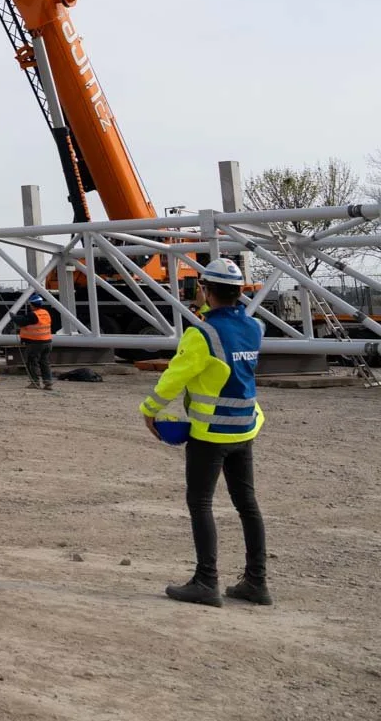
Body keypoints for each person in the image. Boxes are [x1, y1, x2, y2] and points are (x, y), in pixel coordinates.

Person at [141, 258, 269, 607]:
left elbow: (174, 376)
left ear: (205, 290)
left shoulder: (202, 333)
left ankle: (206, 581)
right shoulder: (255, 327)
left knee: (200, 503)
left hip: (210, 433)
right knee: (247, 504)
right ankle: (256, 583)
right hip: (244, 429)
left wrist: (149, 410)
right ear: (240, 292)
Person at [12, 292, 56, 390]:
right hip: (47, 342)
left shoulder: (33, 315)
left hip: (36, 343)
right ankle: (48, 383)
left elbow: (22, 321)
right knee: (44, 362)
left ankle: (35, 382)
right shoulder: (45, 313)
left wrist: (13, 317)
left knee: (32, 362)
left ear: (32, 305)